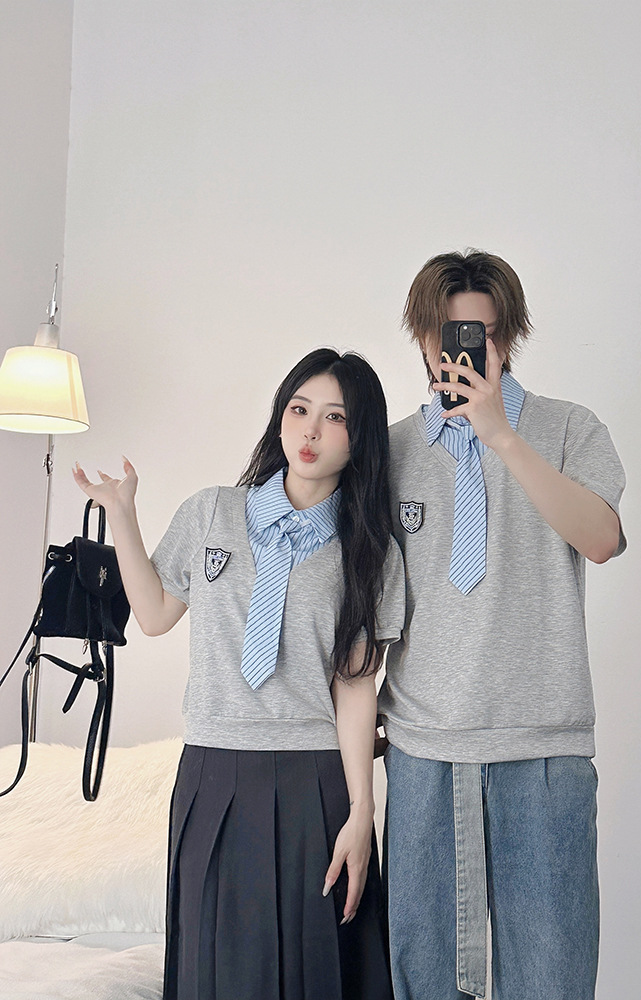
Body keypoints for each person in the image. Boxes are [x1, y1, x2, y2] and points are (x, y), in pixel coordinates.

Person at [73, 348, 404, 1000]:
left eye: (335, 417)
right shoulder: (212, 513)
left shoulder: (370, 549)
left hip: (314, 780)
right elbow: (154, 613)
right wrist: (122, 514)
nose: (311, 431)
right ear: (280, 417)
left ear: (359, 436)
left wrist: (361, 812)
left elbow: (354, 685)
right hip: (213, 771)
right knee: (215, 969)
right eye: (299, 409)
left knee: (316, 972)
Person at [378, 250, 626, 1000]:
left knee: (551, 981)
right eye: (443, 333)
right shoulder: (391, 450)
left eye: (479, 334)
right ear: (421, 337)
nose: (458, 351)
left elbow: (602, 539)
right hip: (422, 750)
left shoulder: (567, 428)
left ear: (508, 337)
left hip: (541, 744)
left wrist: (502, 438)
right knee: (424, 984)